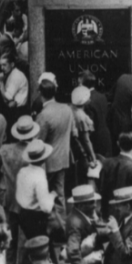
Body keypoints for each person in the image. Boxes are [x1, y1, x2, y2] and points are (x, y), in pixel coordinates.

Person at [0, 116, 37, 264]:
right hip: (28, 197)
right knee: (28, 232)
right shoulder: (35, 151)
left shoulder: (4, 149)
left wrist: (2, 177)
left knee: (10, 231)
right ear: (32, 133)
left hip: (8, 195)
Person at [35, 76, 75, 214]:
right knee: (59, 195)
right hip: (63, 158)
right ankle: (62, 225)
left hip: (47, 162)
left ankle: (47, 226)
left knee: (42, 197)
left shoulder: (43, 115)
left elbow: (37, 142)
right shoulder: (67, 108)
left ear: (40, 93)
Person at [0, 52, 29, 123]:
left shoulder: (15, 76)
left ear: (12, 64)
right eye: (1, 65)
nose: (2, 68)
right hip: (15, 109)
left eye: (4, 65)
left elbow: (8, 97)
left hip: (18, 112)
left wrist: (0, 83)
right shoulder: (12, 73)